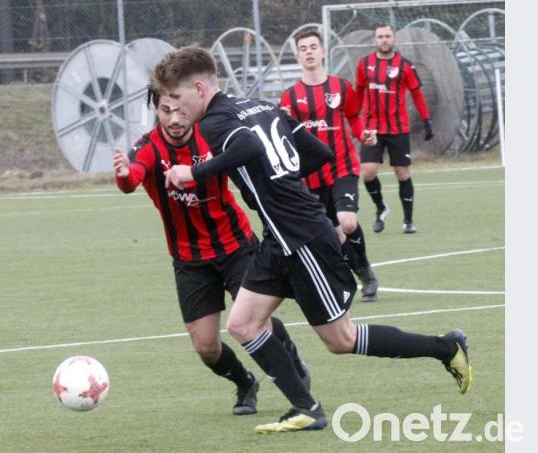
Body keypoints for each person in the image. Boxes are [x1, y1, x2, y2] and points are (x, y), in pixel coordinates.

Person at [158, 46, 472, 433]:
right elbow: (319, 152)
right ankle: (305, 407)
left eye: (178, 96)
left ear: (199, 88)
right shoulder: (260, 105)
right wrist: (280, 180)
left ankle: (446, 348)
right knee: (242, 323)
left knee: (341, 339)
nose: (176, 109)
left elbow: (250, 147)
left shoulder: (213, 122)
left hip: (301, 237)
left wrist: (194, 172)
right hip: (279, 239)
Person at [113, 86, 313, 416]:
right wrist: (123, 176)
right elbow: (132, 178)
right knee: (206, 347)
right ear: (156, 111)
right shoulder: (147, 147)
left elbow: (247, 151)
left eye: (180, 110)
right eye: (166, 111)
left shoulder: (211, 135)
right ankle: (245, 382)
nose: (175, 119)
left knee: (255, 322)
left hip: (236, 246)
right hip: (190, 260)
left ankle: (292, 367)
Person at [279, 30, 380, 302]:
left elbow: (353, 117)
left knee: (348, 222)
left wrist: (363, 135)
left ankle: (367, 273)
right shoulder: (290, 96)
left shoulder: (341, 87)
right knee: (333, 234)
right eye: (304, 48)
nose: (309, 52)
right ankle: (353, 276)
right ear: (298, 56)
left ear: (323, 52)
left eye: (313, 47)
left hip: (342, 167)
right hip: (311, 176)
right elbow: (285, 136)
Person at [355, 23, 434, 234]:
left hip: (398, 129)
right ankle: (381, 208)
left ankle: (408, 221)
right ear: (375, 40)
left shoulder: (405, 65)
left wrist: (427, 120)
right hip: (372, 129)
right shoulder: (364, 65)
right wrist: (354, 120)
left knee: (402, 172)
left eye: (387, 36)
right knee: (368, 172)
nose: (384, 40)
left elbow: (417, 93)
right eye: (380, 36)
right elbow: (358, 93)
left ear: (394, 39)